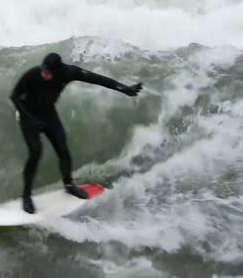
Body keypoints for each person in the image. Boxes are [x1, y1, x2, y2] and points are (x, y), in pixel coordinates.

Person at [10, 53, 143, 214]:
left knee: (63, 149)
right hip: (28, 116)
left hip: (48, 115)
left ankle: (69, 185)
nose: (43, 74)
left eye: (47, 72)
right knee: (35, 153)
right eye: (43, 70)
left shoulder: (69, 72)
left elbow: (97, 79)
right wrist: (27, 118)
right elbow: (15, 96)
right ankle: (26, 196)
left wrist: (124, 88)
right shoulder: (33, 74)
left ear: (58, 70)